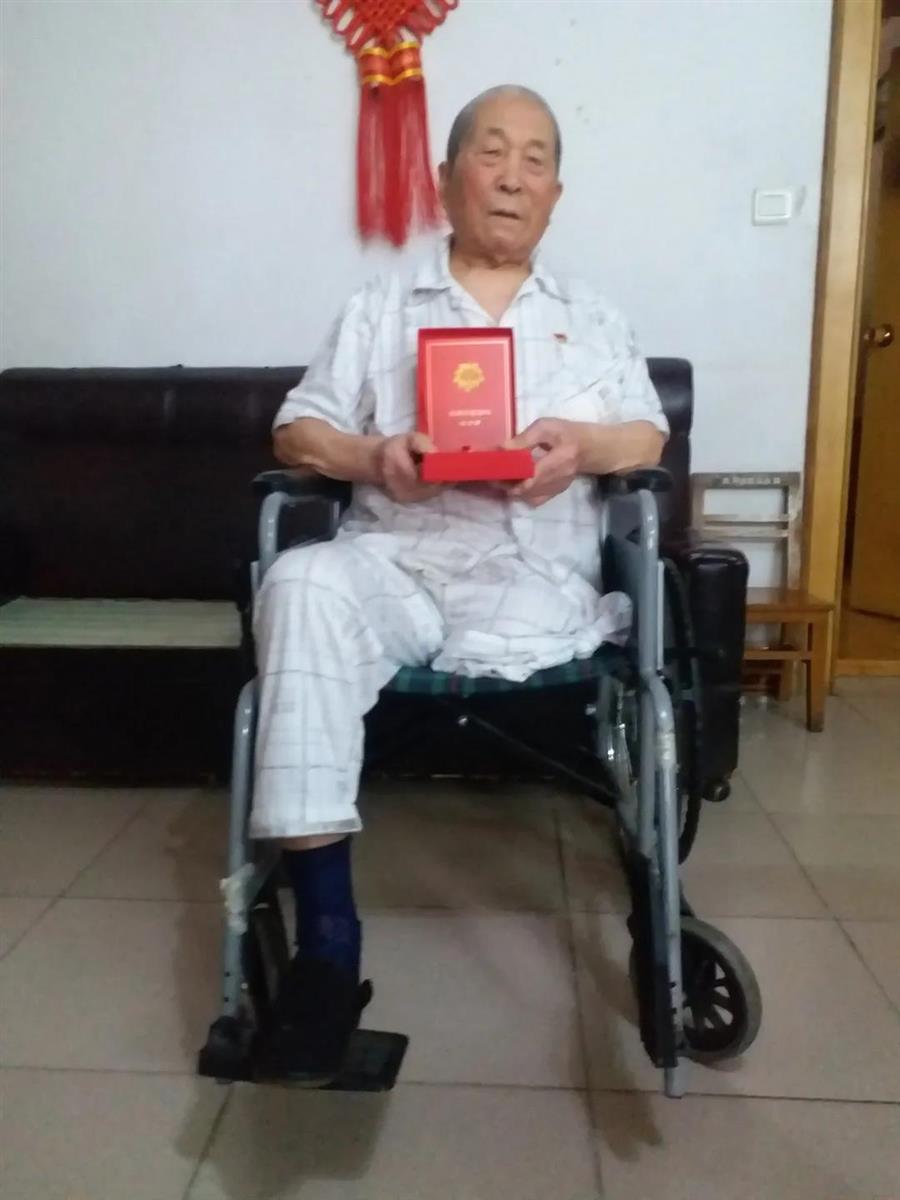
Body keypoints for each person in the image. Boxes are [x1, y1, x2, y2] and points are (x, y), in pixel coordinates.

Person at [253, 85, 668, 1082]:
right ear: (446, 179)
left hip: (536, 584)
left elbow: (648, 437)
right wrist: (371, 455)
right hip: (398, 563)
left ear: (556, 194)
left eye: (535, 160)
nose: (512, 177)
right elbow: (294, 430)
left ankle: (654, 913)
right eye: (492, 153)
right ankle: (328, 954)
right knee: (301, 582)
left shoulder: (592, 316)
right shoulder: (380, 308)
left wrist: (582, 448)